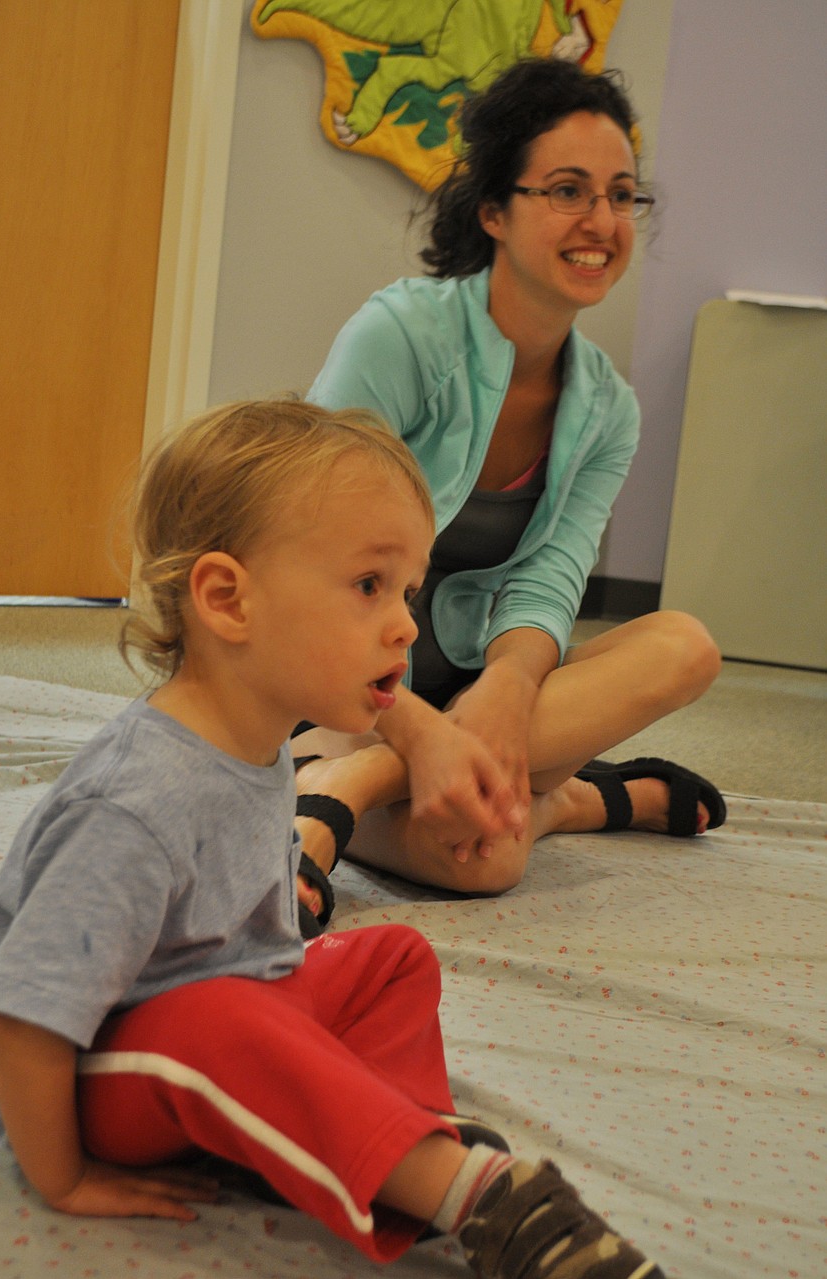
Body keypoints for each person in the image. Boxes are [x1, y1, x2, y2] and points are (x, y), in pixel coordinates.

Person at [0, 400, 666, 1279]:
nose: (407, 625)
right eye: (370, 586)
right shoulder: (133, 803)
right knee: (218, 1019)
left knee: (392, 958)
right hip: (115, 1077)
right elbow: (24, 1010)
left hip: (237, 1008)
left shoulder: (256, 745)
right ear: (228, 599)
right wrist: (62, 1175)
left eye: (408, 592)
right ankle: (478, 1194)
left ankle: (394, 1149)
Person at [292, 56, 726, 922]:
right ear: (494, 209)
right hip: (330, 675)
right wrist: (417, 731)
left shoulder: (609, 408)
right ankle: (573, 797)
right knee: (487, 859)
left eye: (621, 194)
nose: (601, 221)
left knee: (685, 646)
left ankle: (337, 793)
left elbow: (552, 576)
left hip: (466, 689)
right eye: (567, 190)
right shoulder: (401, 335)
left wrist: (508, 687)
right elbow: (304, 551)